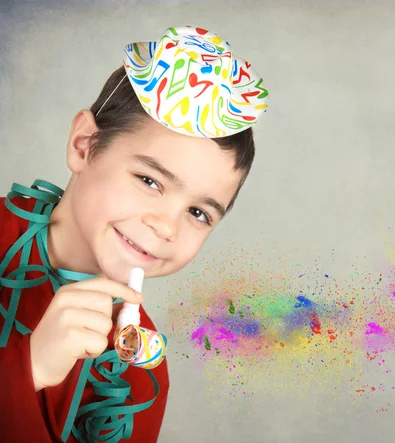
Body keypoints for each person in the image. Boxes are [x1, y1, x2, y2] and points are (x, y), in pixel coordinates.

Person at [0, 25, 269, 442]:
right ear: (84, 144)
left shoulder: (139, 375)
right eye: (149, 181)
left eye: (198, 212)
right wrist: (28, 368)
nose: (166, 226)